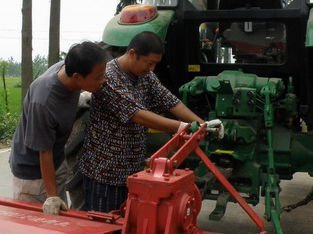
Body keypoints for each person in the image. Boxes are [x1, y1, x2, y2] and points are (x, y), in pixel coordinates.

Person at [79, 31, 222, 213]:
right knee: (103, 225)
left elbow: (170, 101)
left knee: (129, 226)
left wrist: (203, 125)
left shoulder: (145, 76)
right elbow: (137, 114)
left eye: (155, 64)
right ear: (133, 54)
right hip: (106, 174)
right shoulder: (108, 77)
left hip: (134, 172)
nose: (152, 69)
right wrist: (183, 127)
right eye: (149, 63)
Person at [10, 41, 108, 234]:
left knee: (56, 225)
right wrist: (51, 195)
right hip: (32, 172)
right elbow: (42, 153)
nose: (103, 80)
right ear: (77, 77)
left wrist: (82, 98)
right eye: (98, 77)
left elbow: (51, 152)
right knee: (35, 231)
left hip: (56, 158)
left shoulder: (67, 69)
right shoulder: (43, 100)